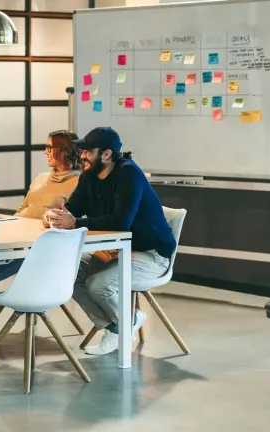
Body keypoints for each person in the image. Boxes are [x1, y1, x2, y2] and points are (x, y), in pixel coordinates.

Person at [47, 126, 176, 356]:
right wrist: (56, 214)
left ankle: (122, 327)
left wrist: (75, 223)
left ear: (106, 154)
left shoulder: (129, 175)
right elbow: (74, 208)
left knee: (99, 285)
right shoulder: (89, 175)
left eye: (88, 151)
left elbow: (120, 221)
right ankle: (118, 326)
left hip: (152, 256)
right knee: (67, 274)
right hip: (117, 251)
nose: (83, 155)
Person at [0, 130, 84, 318]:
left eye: (49, 147)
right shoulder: (41, 177)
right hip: (15, 240)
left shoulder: (79, 182)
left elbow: (68, 220)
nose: (45, 152)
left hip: (39, 249)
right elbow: (23, 209)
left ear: (63, 151)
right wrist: (8, 226)